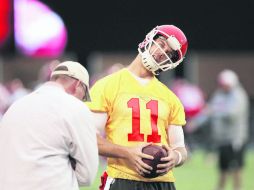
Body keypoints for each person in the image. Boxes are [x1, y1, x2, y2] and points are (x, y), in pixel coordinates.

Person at [86, 25, 188, 190]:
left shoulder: (170, 98)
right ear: (150, 39)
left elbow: (180, 148)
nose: (162, 53)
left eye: (169, 54)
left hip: (164, 183)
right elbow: (89, 139)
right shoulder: (107, 86)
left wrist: (175, 157)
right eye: (161, 44)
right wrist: (128, 152)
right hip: (123, 178)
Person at [0, 61, 99, 190]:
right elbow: (86, 177)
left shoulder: (16, 106)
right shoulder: (75, 107)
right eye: (84, 95)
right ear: (78, 85)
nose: (82, 100)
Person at [189, 69, 249, 190]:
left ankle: (238, 188)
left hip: (234, 138)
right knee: (223, 168)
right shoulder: (219, 95)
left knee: (236, 167)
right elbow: (208, 111)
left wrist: (215, 111)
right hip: (222, 139)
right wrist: (195, 122)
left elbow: (232, 114)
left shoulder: (238, 95)